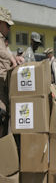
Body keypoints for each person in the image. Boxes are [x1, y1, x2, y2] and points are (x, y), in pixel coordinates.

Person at [0, 7, 17, 137]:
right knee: (2, 115)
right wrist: (11, 57)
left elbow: (7, 52)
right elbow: (2, 52)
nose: (9, 29)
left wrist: (16, 58)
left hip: (5, 85)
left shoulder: (3, 40)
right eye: (7, 25)